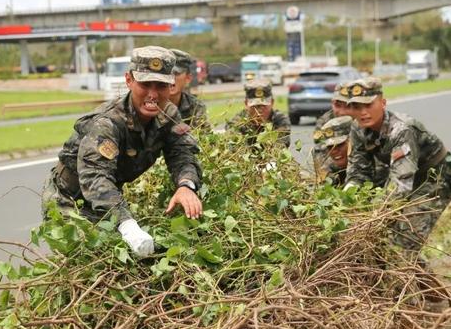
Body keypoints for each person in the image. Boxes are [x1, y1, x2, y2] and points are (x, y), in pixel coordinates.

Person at [42, 46, 203, 258]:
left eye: (161, 86)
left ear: (171, 85)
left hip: (109, 197)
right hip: (70, 203)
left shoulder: (168, 115)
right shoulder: (108, 123)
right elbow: (95, 177)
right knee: (93, 263)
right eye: (145, 84)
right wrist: (127, 224)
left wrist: (186, 185)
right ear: (129, 80)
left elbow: (182, 153)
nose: (153, 95)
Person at [344, 77, 451, 253]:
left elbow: (400, 185)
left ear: (383, 103)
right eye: (357, 107)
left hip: (435, 179)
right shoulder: (358, 129)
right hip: (407, 177)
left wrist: (371, 216)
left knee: (403, 243)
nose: (363, 112)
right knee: (384, 241)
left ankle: (415, 279)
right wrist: (345, 199)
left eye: (368, 105)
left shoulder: (402, 130)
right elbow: (358, 171)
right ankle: (421, 280)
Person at [226, 78, 291, 148]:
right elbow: (233, 144)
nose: (259, 111)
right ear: (246, 103)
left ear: (272, 102)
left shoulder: (279, 120)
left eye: (263, 106)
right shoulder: (238, 121)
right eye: (255, 106)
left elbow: (279, 147)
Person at [169, 49, 210, 130]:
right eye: (167, 74)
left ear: (188, 78)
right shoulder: (152, 104)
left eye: (176, 74)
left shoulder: (195, 107)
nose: (171, 79)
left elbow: (202, 136)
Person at [312, 115, 352, 186]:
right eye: (329, 147)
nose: (333, 151)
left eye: (339, 145)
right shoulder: (330, 169)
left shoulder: (368, 165)